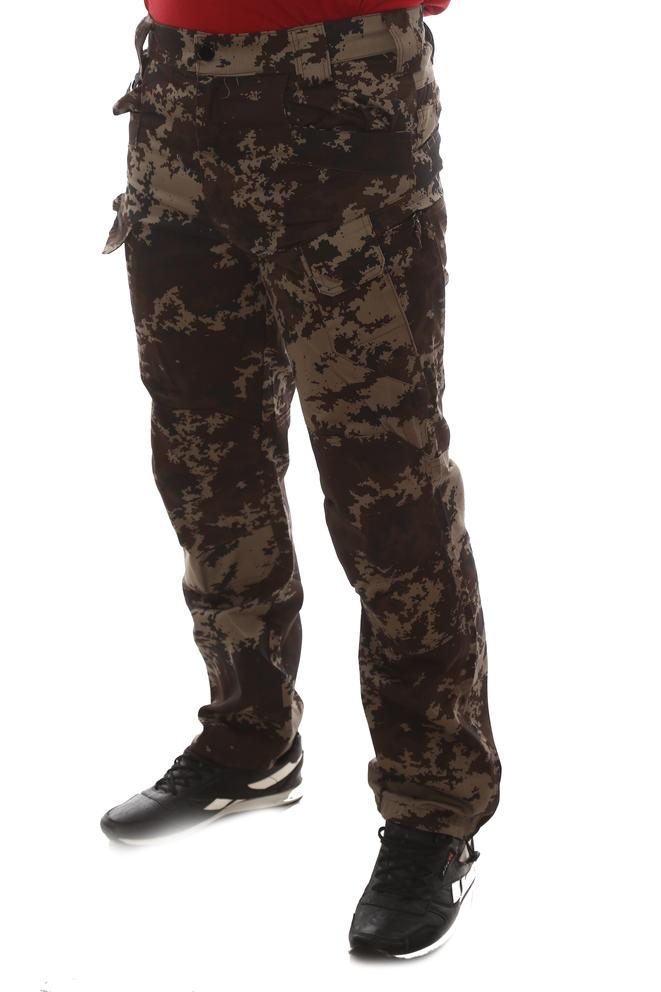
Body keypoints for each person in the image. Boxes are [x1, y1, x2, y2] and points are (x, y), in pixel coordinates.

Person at [99, 0, 502, 959]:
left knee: (387, 491)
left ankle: (434, 808)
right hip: (179, 98)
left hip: (343, 95)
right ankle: (251, 739)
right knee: (206, 460)